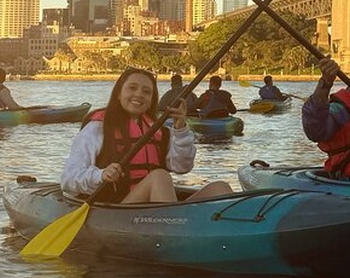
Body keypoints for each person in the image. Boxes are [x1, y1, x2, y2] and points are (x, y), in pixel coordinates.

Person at [61, 67, 232, 203]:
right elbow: (68, 179)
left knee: (220, 188)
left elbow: (182, 167)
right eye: (132, 88)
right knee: (159, 176)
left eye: (146, 91)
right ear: (119, 94)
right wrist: (101, 174)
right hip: (119, 208)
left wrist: (180, 128)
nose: (139, 95)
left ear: (152, 99)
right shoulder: (97, 128)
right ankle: (174, 235)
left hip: (155, 209)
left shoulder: (160, 130)